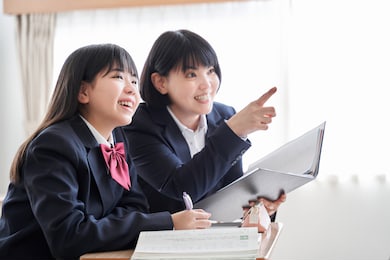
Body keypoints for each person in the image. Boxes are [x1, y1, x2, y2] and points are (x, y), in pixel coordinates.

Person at [0, 43, 211, 259]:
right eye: (118, 77)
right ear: (83, 91)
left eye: (134, 81)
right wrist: (169, 222)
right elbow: (69, 237)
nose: (131, 89)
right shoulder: (53, 145)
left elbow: (136, 207)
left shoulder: (117, 139)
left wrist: (98, 226)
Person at [123, 29, 286, 218]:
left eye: (210, 71)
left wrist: (258, 208)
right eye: (191, 74)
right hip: (163, 241)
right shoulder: (138, 125)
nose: (207, 84)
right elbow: (182, 189)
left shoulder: (224, 115)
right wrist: (233, 132)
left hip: (213, 235)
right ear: (160, 82)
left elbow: (230, 192)